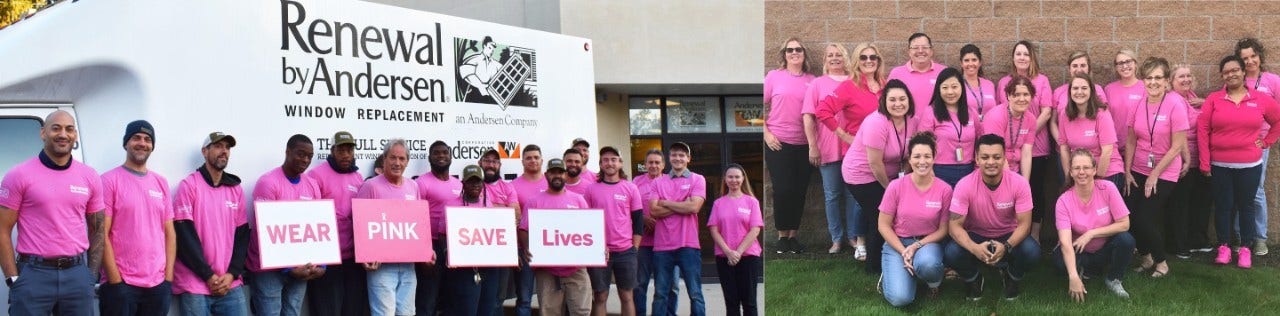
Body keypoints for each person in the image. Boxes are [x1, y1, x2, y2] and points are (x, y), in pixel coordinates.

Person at [0, 110, 106, 315]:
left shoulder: (89, 176)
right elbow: (2, 229)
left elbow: (98, 229)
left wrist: (90, 276)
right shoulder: (18, 174)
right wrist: (12, 278)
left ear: (75, 135)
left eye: (69, 129)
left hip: (77, 276)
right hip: (34, 274)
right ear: (43, 133)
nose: (63, 134)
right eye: (55, 128)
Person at [1197, 55, 1280, 269]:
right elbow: (1203, 130)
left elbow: (1277, 120)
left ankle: (1245, 249)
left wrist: (1267, 141)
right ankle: (1223, 247)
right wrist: (1205, 162)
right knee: (1223, 207)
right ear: (1222, 76)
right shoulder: (1214, 99)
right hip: (1220, 165)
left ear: (1243, 72)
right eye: (1226, 72)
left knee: (1246, 207)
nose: (1231, 74)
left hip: (1249, 166)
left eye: (1235, 70)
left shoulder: (1260, 99)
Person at [944, 134, 1040, 301]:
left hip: (1007, 233)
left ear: (1004, 158)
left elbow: (1025, 225)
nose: (991, 162)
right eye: (985, 157)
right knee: (951, 252)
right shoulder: (964, 185)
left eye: (996, 157)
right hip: (976, 234)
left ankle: (1012, 276)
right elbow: (954, 227)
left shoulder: (1019, 183)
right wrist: (974, 248)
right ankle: (974, 279)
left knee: (1032, 251)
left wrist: (1007, 246)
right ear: (976, 158)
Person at [98, 120, 176, 316]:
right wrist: (115, 280)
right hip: (122, 285)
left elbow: (169, 234)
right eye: (136, 138)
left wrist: (167, 279)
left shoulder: (160, 182)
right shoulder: (108, 180)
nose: (142, 143)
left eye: (147, 139)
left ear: (152, 146)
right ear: (126, 143)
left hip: (158, 285)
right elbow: (100, 233)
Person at [814, 42, 883, 256]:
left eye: (873, 57)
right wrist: (844, 135)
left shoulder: (884, 85)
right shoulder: (849, 86)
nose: (869, 61)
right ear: (856, 62)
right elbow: (823, 111)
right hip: (858, 154)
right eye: (863, 57)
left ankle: (873, 242)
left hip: (880, 152)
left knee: (876, 199)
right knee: (859, 199)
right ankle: (858, 242)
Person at [844, 79, 919, 274]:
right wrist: (891, 189)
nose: (898, 104)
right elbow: (874, 163)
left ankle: (885, 258)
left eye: (902, 99)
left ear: (909, 100)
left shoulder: (912, 120)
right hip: (861, 174)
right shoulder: (876, 122)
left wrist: (904, 175)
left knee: (881, 216)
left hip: (891, 173)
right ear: (884, 101)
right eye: (892, 99)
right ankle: (874, 267)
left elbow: (909, 152)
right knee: (881, 216)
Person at [1123, 57, 1188, 278]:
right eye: (1149, 77)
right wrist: (1127, 171)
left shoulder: (1175, 104)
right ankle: (1146, 256)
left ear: (1167, 81)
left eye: (1158, 77)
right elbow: (1131, 140)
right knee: (1128, 216)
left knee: (1144, 218)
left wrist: (1154, 175)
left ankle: (1161, 262)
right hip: (1138, 168)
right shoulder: (1137, 104)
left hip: (1165, 171)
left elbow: (1177, 146)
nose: (1153, 82)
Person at [248, 134, 326, 316]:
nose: (305, 160)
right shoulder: (268, 182)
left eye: (309, 156)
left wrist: (322, 264)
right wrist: (289, 268)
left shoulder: (312, 185)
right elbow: (264, 232)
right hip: (268, 270)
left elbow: (319, 226)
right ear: (287, 151)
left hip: (301, 266)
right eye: (300, 154)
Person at [172, 132, 249, 315]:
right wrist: (208, 276)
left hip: (229, 283)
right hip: (195, 284)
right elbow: (184, 237)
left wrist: (231, 274)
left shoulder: (235, 189)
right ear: (205, 152)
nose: (224, 151)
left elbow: (242, 236)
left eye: (227, 148)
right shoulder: (189, 185)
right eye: (218, 146)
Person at [877, 132, 950, 307]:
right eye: (917, 156)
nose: (922, 161)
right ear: (909, 159)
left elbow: (943, 229)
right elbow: (883, 225)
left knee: (928, 265)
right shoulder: (896, 186)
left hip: (927, 243)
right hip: (897, 243)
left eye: (927, 156)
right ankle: (892, 276)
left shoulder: (944, 189)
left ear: (934, 158)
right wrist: (904, 251)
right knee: (901, 299)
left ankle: (932, 283)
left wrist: (916, 246)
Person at [1053, 149, 1135, 302]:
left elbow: (1124, 224)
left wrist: (1091, 233)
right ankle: (1082, 271)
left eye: (1086, 167)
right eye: (1077, 168)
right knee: (1060, 264)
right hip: (1078, 249)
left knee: (1126, 240)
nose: (1081, 172)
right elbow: (1065, 242)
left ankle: (1114, 279)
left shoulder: (1108, 188)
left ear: (1094, 169)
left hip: (1104, 248)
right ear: (1070, 172)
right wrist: (1073, 277)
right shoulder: (1063, 201)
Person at [356, 139, 424, 316]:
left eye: (402, 159)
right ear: (384, 159)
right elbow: (360, 223)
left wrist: (425, 250)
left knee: (408, 313)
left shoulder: (413, 186)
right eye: (393, 158)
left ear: (407, 161)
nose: (397, 163)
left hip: (408, 266)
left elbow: (417, 224)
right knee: (384, 313)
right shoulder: (370, 186)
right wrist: (364, 255)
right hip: (381, 267)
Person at [995, 40, 1054, 243]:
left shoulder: (1042, 80)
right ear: (1013, 58)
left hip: (1035, 148)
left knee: (1034, 191)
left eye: (1026, 54)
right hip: (1008, 151)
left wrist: (1025, 132)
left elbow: (1047, 111)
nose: (1022, 58)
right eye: (1018, 54)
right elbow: (1003, 113)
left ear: (1032, 58)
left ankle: (1034, 236)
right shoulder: (1004, 83)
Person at [795, 43, 852, 254]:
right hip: (827, 147)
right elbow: (808, 116)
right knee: (832, 195)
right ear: (825, 60)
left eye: (839, 55)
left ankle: (854, 237)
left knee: (853, 195)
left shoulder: (855, 81)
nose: (835, 58)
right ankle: (837, 239)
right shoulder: (818, 84)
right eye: (830, 55)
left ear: (845, 58)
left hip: (853, 147)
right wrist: (813, 146)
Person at [306, 131, 370, 316]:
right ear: (332, 150)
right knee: (328, 310)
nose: (346, 154)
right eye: (341, 149)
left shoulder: (357, 177)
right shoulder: (316, 175)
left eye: (349, 149)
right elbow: (311, 215)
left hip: (352, 257)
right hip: (327, 258)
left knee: (353, 309)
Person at [519, 158, 593, 316]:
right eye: (553, 172)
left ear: (565, 175)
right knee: (549, 312)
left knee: (582, 312)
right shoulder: (534, 202)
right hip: (547, 270)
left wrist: (599, 247)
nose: (557, 175)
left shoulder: (578, 200)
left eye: (560, 172)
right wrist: (527, 247)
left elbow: (590, 228)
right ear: (546, 175)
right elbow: (524, 229)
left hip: (576, 267)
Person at [764, 38, 817, 256]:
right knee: (783, 190)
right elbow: (752, 108)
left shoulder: (813, 80)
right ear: (784, 54)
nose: (794, 53)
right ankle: (781, 236)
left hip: (804, 144)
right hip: (778, 143)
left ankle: (793, 236)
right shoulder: (774, 77)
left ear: (804, 54)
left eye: (798, 49)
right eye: (790, 50)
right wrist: (766, 134)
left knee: (799, 191)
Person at [650, 142, 708, 316]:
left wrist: (666, 202)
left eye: (682, 155)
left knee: (695, 293)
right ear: (669, 158)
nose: (677, 158)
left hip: (688, 245)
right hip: (662, 247)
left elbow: (694, 208)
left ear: (688, 159)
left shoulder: (698, 179)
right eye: (674, 154)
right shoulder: (658, 182)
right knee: (660, 294)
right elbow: (653, 210)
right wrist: (684, 203)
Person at [584, 146, 643, 316]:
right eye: (605, 160)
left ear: (620, 163)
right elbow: (586, 221)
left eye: (613, 159)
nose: (609, 163)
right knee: (600, 296)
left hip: (626, 251)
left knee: (626, 296)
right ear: (601, 164)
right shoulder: (591, 189)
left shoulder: (630, 188)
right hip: (599, 252)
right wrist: (595, 245)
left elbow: (638, 220)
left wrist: (634, 249)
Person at [1235, 38, 1278, 256]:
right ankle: (1241, 237)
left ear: (1260, 56)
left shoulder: (1272, 81)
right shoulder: (1237, 79)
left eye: (1253, 56)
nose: (1250, 61)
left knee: (1257, 191)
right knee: (1238, 190)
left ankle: (1260, 238)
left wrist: (1268, 140)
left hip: (1259, 145)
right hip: (1237, 145)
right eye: (1245, 58)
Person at [1166, 66, 1214, 258]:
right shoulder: (1173, 100)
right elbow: (1179, 132)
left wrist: (1205, 102)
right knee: (1180, 203)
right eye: (1180, 76)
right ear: (1171, 81)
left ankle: (1197, 240)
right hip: (1182, 159)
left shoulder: (1192, 96)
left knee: (1199, 202)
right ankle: (1178, 244)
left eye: (1188, 76)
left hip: (1200, 159)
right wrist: (1185, 158)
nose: (1185, 79)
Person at [707, 164, 763, 316]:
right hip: (725, 258)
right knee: (731, 303)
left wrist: (738, 252)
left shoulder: (752, 202)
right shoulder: (718, 203)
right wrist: (728, 252)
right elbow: (713, 229)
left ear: (743, 179)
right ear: (725, 180)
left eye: (737, 177)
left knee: (749, 302)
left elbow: (755, 229)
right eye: (730, 177)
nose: (734, 180)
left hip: (748, 257)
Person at [415, 141, 462, 315]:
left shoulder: (459, 185)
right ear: (429, 158)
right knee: (428, 299)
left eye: (444, 152)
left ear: (450, 156)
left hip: (454, 247)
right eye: (436, 153)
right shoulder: (421, 183)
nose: (441, 156)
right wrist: (423, 250)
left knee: (450, 298)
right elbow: (416, 217)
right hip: (431, 246)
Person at [1055, 73, 1124, 186]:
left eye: (1084, 88)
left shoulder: (1102, 114)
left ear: (1091, 91)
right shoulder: (1064, 115)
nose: (1079, 92)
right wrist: (1069, 177)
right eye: (1075, 88)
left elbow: (1107, 152)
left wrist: (1097, 179)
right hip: (1081, 174)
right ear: (1070, 92)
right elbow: (1064, 148)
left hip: (1106, 172)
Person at [632, 149, 678, 316]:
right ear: (645, 165)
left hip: (666, 243)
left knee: (671, 286)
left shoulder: (671, 181)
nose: (653, 165)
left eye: (657, 162)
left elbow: (676, 207)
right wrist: (643, 219)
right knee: (640, 284)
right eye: (650, 162)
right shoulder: (636, 182)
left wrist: (657, 219)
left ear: (664, 165)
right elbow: (629, 208)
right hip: (643, 243)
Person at [442, 164, 493, 316]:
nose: (475, 185)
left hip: (488, 265)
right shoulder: (451, 205)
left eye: (478, 181)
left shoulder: (488, 205)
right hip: (463, 268)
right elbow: (442, 233)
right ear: (463, 183)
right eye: (471, 181)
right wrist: (447, 252)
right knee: (466, 310)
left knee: (486, 309)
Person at [918, 67, 980, 187]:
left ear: (962, 88)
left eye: (954, 87)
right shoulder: (931, 112)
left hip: (968, 170)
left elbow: (980, 140)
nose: (950, 92)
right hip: (939, 170)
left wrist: (978, 167)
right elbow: (922, 145)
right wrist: (928, 170)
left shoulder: (971, 113)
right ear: (939, 90)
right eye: (945, 87)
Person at [478, 149, 518, 316]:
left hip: (502, 250)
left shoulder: (507, 187)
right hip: (476, 248)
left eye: (495, 161)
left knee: (498, 299)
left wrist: (487, 208)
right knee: (479, 297)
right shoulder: (473, 184)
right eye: (487, 160)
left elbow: (516, 215)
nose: (491, 164)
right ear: (480, 163)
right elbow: (470, 210)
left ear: (499, 165)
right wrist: (502, 208)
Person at [510, 144, 548, 316]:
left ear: (542, 160)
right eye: (529, 157)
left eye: (536, 157)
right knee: (524, 298)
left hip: (550, 246)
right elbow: (513, 220)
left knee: (549, 299)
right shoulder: (513, 186)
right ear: (522, 161)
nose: (533, 160)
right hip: (524, 249)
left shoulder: (552, 182)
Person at [981, 77, 1037, 181]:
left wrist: (1024, 183)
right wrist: (1011, 185)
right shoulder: (996, 116)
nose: (1022, 99)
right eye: (1016, 95)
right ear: (1008, 96)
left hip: (1015, 170)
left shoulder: (1031, 119)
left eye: (1026, 94)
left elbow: (1026, 153)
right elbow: (997, 153)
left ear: (1031, 96)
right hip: (992, 171)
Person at [887, 33, 946, 106]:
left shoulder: (944, 72)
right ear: (909, 52)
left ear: (931, 51)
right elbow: (887, 100)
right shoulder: (896, 73)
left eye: (925, 47)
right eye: (915, 48)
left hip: (937, 117)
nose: (920, 51)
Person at [1105, 50, 1145, 155]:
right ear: (1116, 68)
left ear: (1135, 64)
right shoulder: (1109, 89)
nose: (1124, 66)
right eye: (1120, 63)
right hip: (1114, 149)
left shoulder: (1145, 87)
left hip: (1138, 149)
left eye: (1128, 61)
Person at [959, 44, 997, 121]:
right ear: (961, 63)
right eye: (966, 60)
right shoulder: (957, 85)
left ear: (980, 62)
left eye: (974, 60)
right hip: (967, 129)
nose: (970, 64)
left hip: (989, 129)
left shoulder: (989, 85)